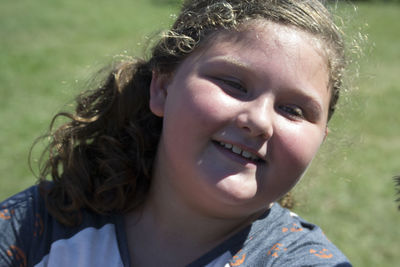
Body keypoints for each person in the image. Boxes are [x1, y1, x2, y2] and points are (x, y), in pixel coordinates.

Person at [0, 0, 353, 266]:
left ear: (320, 137)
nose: (259, 120)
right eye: (233, 84)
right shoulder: (38, 226)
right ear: (163, 88)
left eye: (294, 110)